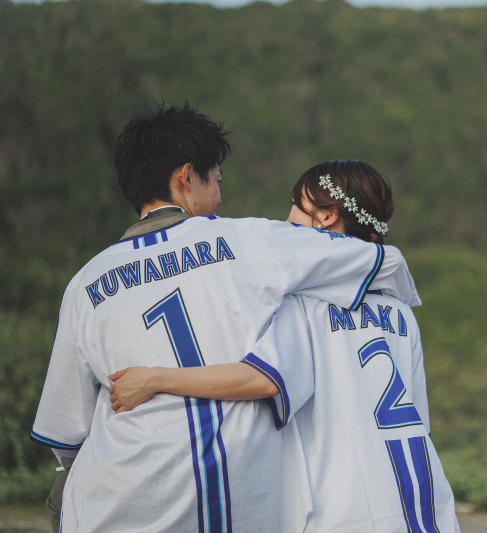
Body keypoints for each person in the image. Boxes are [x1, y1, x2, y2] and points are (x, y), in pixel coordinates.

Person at [31, 104, 420, 533]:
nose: (219, 191)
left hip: (117, 499)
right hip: (237, 502)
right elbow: (382, 262)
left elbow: (64, 434)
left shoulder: (85, 284)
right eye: (215, 178)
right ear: (186, 177)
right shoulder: (250, 239)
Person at [109, 160, 461, 533]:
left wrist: (155, 379)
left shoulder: (306, 302)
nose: (288, 215)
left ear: (326, 218)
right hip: (425, 501)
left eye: (297, 203)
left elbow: (261, 379)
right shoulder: (401, 310)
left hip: (346, 508)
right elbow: (419, 418)